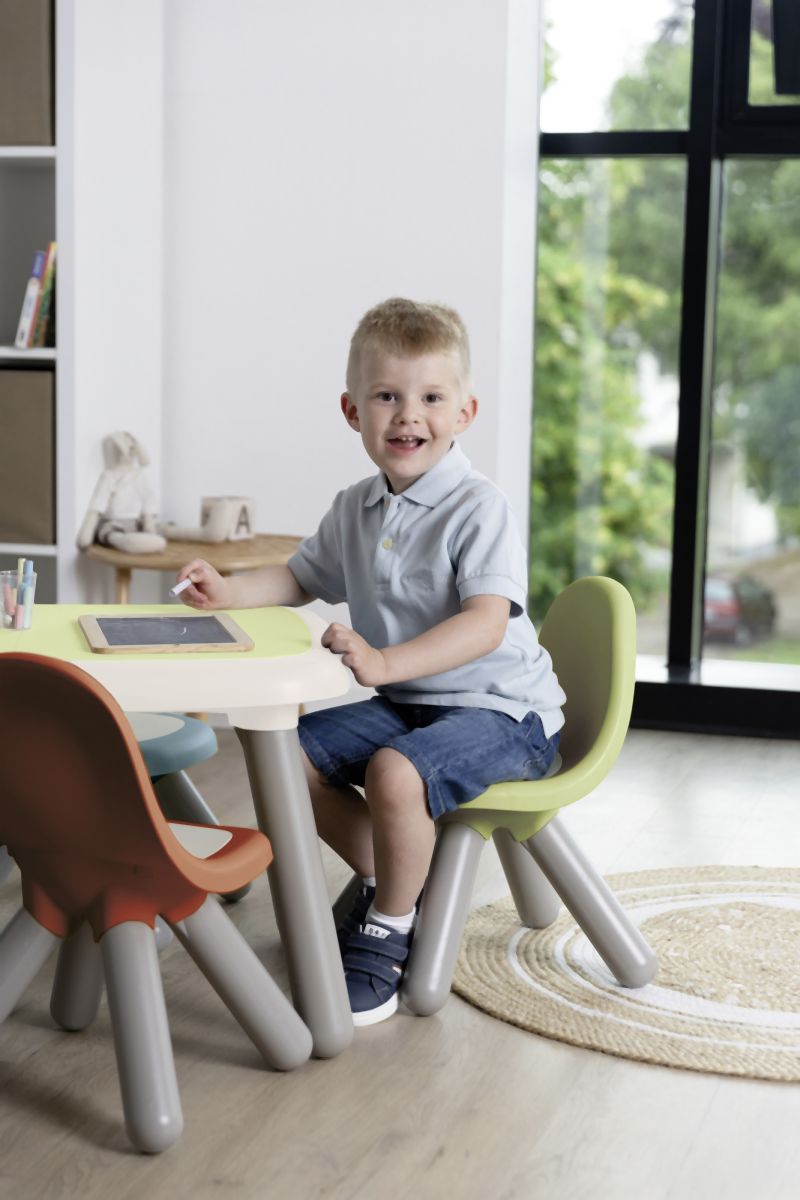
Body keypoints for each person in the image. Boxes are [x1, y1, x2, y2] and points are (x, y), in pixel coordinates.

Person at [176, 297, 566, 1027]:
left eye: (431, 398)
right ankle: (397, 878)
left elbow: (485, 625)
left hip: (505, 713)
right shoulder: (355, 507)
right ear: (352, 411)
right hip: (411, 703)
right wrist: (228, 590)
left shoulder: (479, 508)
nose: (408, 415)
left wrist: (383, 662)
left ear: (465, 412)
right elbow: (298, 577)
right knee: (281, 752)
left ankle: (388, 924)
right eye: (387, 396)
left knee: (394, 771)